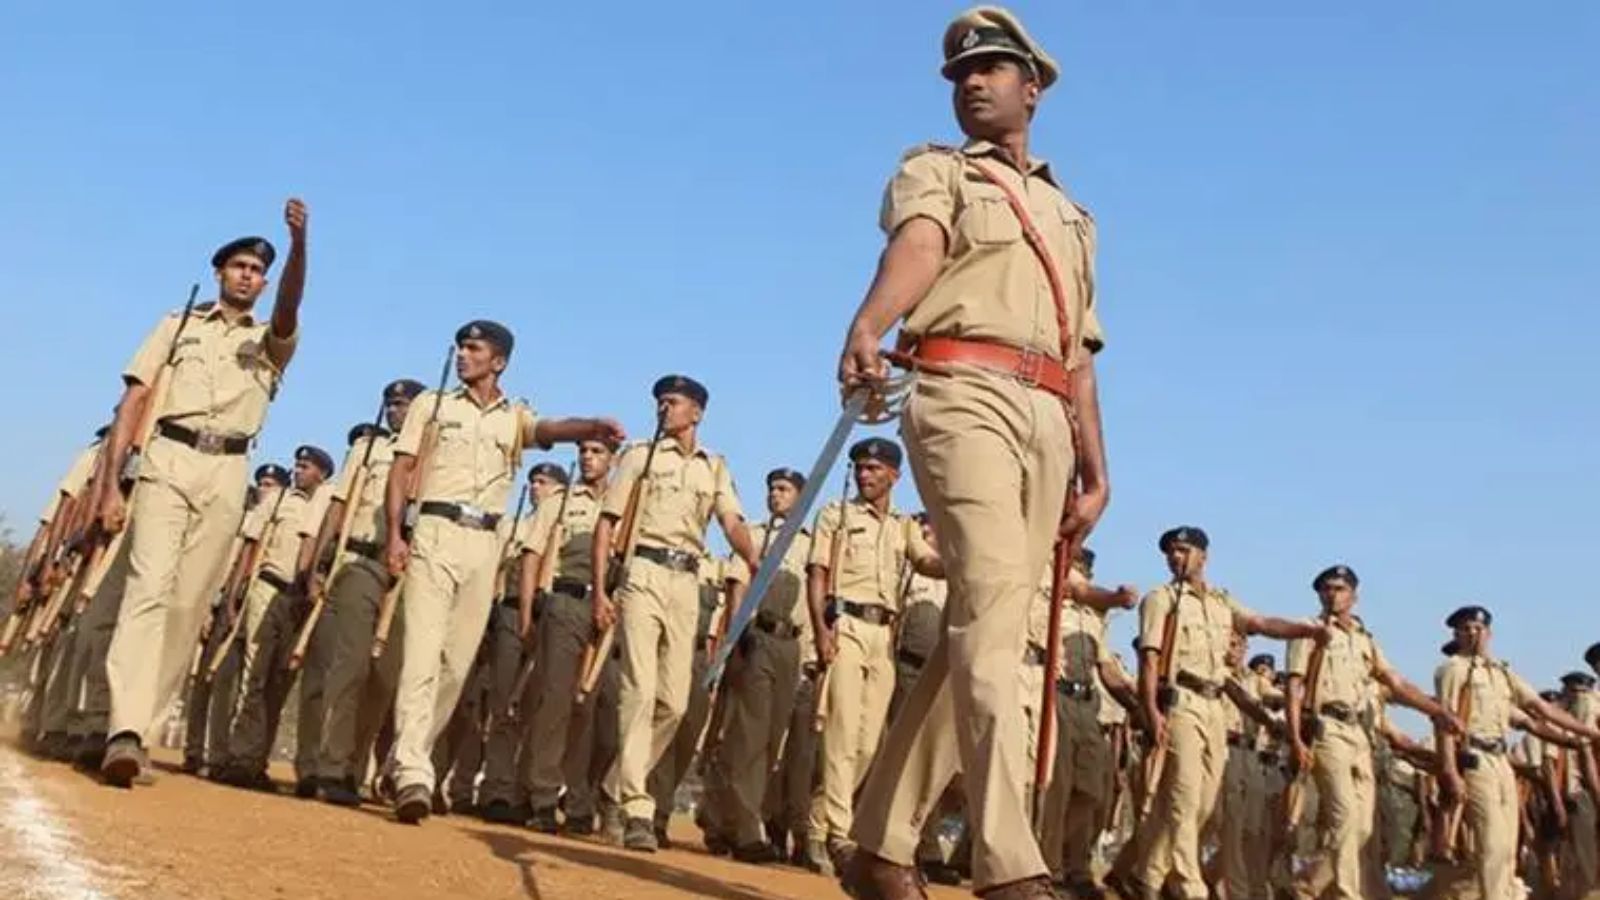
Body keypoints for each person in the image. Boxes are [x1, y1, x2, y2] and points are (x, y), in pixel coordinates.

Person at [835, 7, 1111, 897]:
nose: (971, 83)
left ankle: (879, 849)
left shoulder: (1073, 216)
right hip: (962, 393)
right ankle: (1007, 861)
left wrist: (1097, 463)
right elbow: (919, 245)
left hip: (1048, 419)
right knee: (991, 617)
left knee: (984, 631)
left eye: (990, 69)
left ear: (1032, 88)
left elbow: (1082, 351)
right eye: (960, 73)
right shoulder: (935, 171)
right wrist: (871, 323)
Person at [98, 200, 310, 787]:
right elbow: (134, 403)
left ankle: (137, 729)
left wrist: (298, 245)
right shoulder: (178, 325)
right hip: (168, 455)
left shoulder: (272, 340)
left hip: (228, 471)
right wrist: (112, 487)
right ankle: (122, 727)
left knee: (187, 605)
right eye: (238, 265)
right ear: (219, 272)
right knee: (147, 588)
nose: (247, 275)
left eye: (256, 270)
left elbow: (292, 306)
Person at [384, 320, 625, 824]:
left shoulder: (513, 416)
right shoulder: (433, 405)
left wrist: (590, 427)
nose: (463, 355)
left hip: (485, 542)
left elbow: (547, 431)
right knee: (423, 654)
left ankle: (405, 757)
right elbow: (401, 471)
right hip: (434, 529)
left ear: (499, 362)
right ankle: (413, 771)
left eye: (474, 349)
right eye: (461, 347)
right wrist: (394, 534)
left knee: (455, 662)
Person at [592, 375, 757, 851]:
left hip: (687, 581)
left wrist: (752, 557)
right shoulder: (639, 458)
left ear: (697, 413)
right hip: (643, 570)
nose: (664, 408)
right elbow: (608, 525)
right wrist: (603, 590)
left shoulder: (714, 467)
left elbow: (731, 521)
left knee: (675, 703)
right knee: (638, 690)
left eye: (674, 402)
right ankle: (637, 807)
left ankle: (612, 786)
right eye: (660, 402)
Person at [1128, 527, 1330, 900]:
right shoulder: (1161, 600)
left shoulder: (1223, 602)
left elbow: (1261, 624)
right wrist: (1151, 711)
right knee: (1185, 796)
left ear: (1203, 556)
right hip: (1181, 701)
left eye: (1183, 550)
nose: (1176, 557)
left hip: (1213, 705)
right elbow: (1149, 660)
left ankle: (1146, 874)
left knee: (1204, 803)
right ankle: (1190, 887)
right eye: (1171, 551)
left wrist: (1303, 629)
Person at [805, 438, 942, 872]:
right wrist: (822, 631)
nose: (865, 475)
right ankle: (837, 836)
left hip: (884, 635)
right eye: (860, 468)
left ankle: (816, 822)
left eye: (874, 469)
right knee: (842, 735)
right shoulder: (836, 514)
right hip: (845, 624)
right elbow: (818, 575)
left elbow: (925, 561)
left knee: (867, 746)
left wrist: (963, 558)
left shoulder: (904, 525)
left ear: (894, 476)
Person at [1284, 565, 1462, 900]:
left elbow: (1396, 683)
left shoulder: (1365, 641)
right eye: (1326, 589)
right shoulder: (1309, 632)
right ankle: (1344, 893)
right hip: (1328, 730)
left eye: (1339, 588)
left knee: (1362, 829)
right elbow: (1294, 688)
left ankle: (1308, 886)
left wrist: (1436, 711)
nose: (1332, 594)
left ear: (1354, 596)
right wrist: (1295, 738)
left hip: (1360, 736)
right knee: (1344, 817)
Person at [1428, 606, 1600, 898]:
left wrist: (1588, 734)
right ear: (1457, 635)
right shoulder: (1453, 669)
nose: (1473, 633)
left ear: (1489, 633)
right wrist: (1448, 769)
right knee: (1491, 841)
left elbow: (1537, 712)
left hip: (1500, 761)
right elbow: (1445, 721)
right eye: (1465, 628)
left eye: (1478, 628)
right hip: (1474, 759)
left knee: (1508, 843)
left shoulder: (1502, 672)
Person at [311, 381, 423, 806]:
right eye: (391, 404)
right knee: (351, 667)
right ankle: (332, 765)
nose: (396, 411)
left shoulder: (434, 456)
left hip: (411, 573)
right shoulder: (368, 451)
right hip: (363, 560)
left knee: (385, 678)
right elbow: (339, 508)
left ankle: (355, 768)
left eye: (404, 405)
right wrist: (322, 561)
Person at [702, 467, 812, 863]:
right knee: (746, 737)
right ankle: (745, 830)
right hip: (757, 639)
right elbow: (736, 589)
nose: (775, 495)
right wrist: (732, 642)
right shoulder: (755, 536)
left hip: (791, 646)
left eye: (784, 489)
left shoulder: (807, 543)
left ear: (800, 496)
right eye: (771, 488)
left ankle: (718, 817)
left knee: (770, 742)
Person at [516, 438, 617, 833]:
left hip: (607, 612)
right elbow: (532, 557)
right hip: (566, 604)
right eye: (584, 452)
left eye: (598, 453)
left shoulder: (624, 503)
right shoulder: (559, 502)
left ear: (613, 459)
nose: (588, 459)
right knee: (556, 702)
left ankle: (579, 799)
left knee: (592, 712)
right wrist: (527, 615)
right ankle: (541, 795)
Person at [221, 444, 334, 793]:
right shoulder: (278, 500)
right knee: (254, 675)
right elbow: (251, 547)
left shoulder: (331, 501)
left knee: (280, 684)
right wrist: (234, 592)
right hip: (267, 589)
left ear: (323, 474)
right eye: (297, 464)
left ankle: (259, 759)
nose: (299, 470)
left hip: (303, 599)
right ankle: (241, 757)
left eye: (306, 466)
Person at [478, 462, 567, 824]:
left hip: (553, 616)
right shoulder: (514, 526)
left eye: (543, 482)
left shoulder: (566, 523)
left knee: (540, 709)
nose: (534, 487)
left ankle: (526, 791)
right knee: (503, 706)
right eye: (532, 481)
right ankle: (497, 789)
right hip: (512, 615)